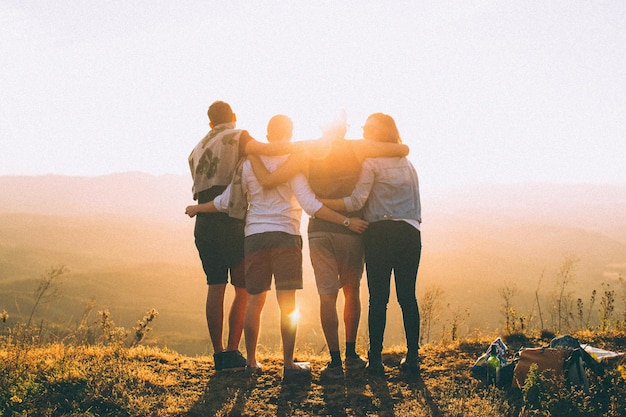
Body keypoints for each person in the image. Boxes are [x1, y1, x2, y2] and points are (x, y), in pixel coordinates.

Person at [186, 115, 368, 380]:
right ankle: (288, 365)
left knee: (254, 301)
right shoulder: (293, 161)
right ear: (290, 132)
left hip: (254, 237)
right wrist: (346, 220)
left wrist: (198, 208)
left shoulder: (248, 163)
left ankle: (250, 362)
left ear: (268, 135)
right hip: (286, 235)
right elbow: (310, 204)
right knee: (287, 304)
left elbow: (226, 201)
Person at [248, 114, 409, 378]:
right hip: (352, 230)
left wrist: (251, 150)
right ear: (344, 127)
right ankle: (351, 354)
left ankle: (334, 362)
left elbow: (274, 161)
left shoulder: (307, 148)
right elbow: (400, 149)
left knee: (327, 295)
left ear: (322, 125)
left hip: (319, 230)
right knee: (351, 290)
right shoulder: (357, 146)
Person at [187, 101, 305, 372]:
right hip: (231, 220)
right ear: (234, 117)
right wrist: (306, 148)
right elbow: (267, 150)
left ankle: (220, 356)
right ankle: (233, 351)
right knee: (244, 290)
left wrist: (198, 208)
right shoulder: (238, 136)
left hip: (205, 221)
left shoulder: (196, 148)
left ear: (209, 123)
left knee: (215, 286)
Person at [320, 113, 422, 376]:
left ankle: (375, 361)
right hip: (410, 233)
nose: (364, 131)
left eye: (368, 128)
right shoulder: (408, 164)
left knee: (379, 299)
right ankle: (412, 359)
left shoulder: (371, 163)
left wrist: (324, 204)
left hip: (379, 234)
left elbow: (356, 202)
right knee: (407, 297)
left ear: (379, 133)